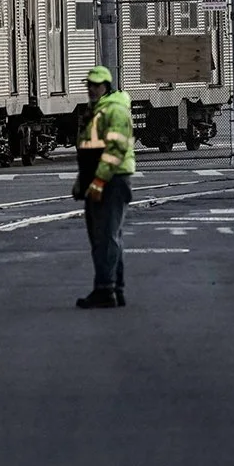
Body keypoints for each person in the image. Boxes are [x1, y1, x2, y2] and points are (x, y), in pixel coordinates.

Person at [71, 66, 135, 309]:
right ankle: (114, 289)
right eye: (89, 84)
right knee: (104, 236)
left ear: (106, 87)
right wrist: (83, 181)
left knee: (106, 236)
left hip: (111, 181)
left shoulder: (114, 110)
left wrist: (98, 181)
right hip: (100, 180)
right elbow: (89, 152)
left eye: (96, 85)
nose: (91, 88)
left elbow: (116, 150)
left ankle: (106, 290)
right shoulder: (96, 110)